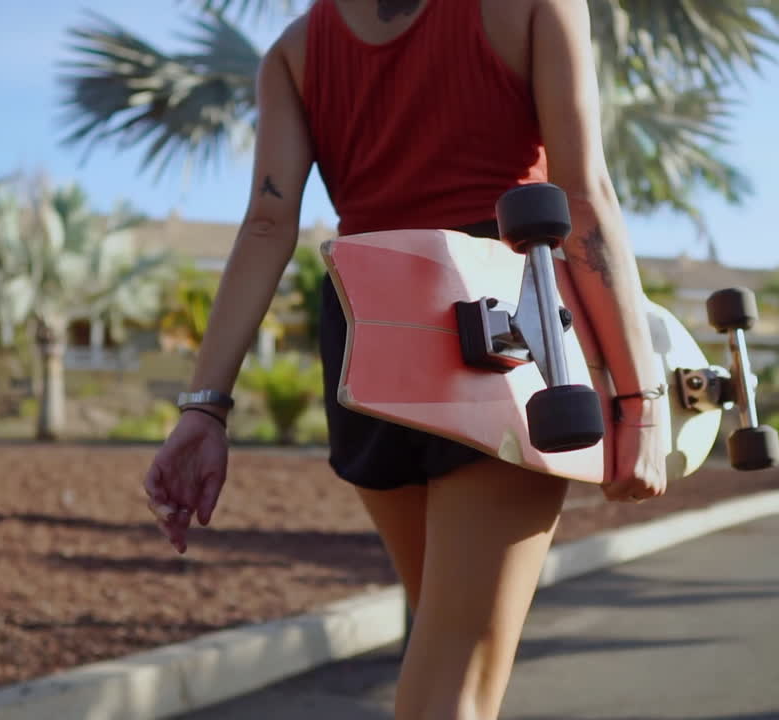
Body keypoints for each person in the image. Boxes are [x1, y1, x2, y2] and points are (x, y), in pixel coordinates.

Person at [141, 0, 669, 717]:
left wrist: (205, 409)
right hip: (501, 321)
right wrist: (643, 399)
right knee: (459, 671)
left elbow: (267, 223)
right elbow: (582, 195)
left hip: (369, 330)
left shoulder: (295, 53)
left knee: (440, 632)